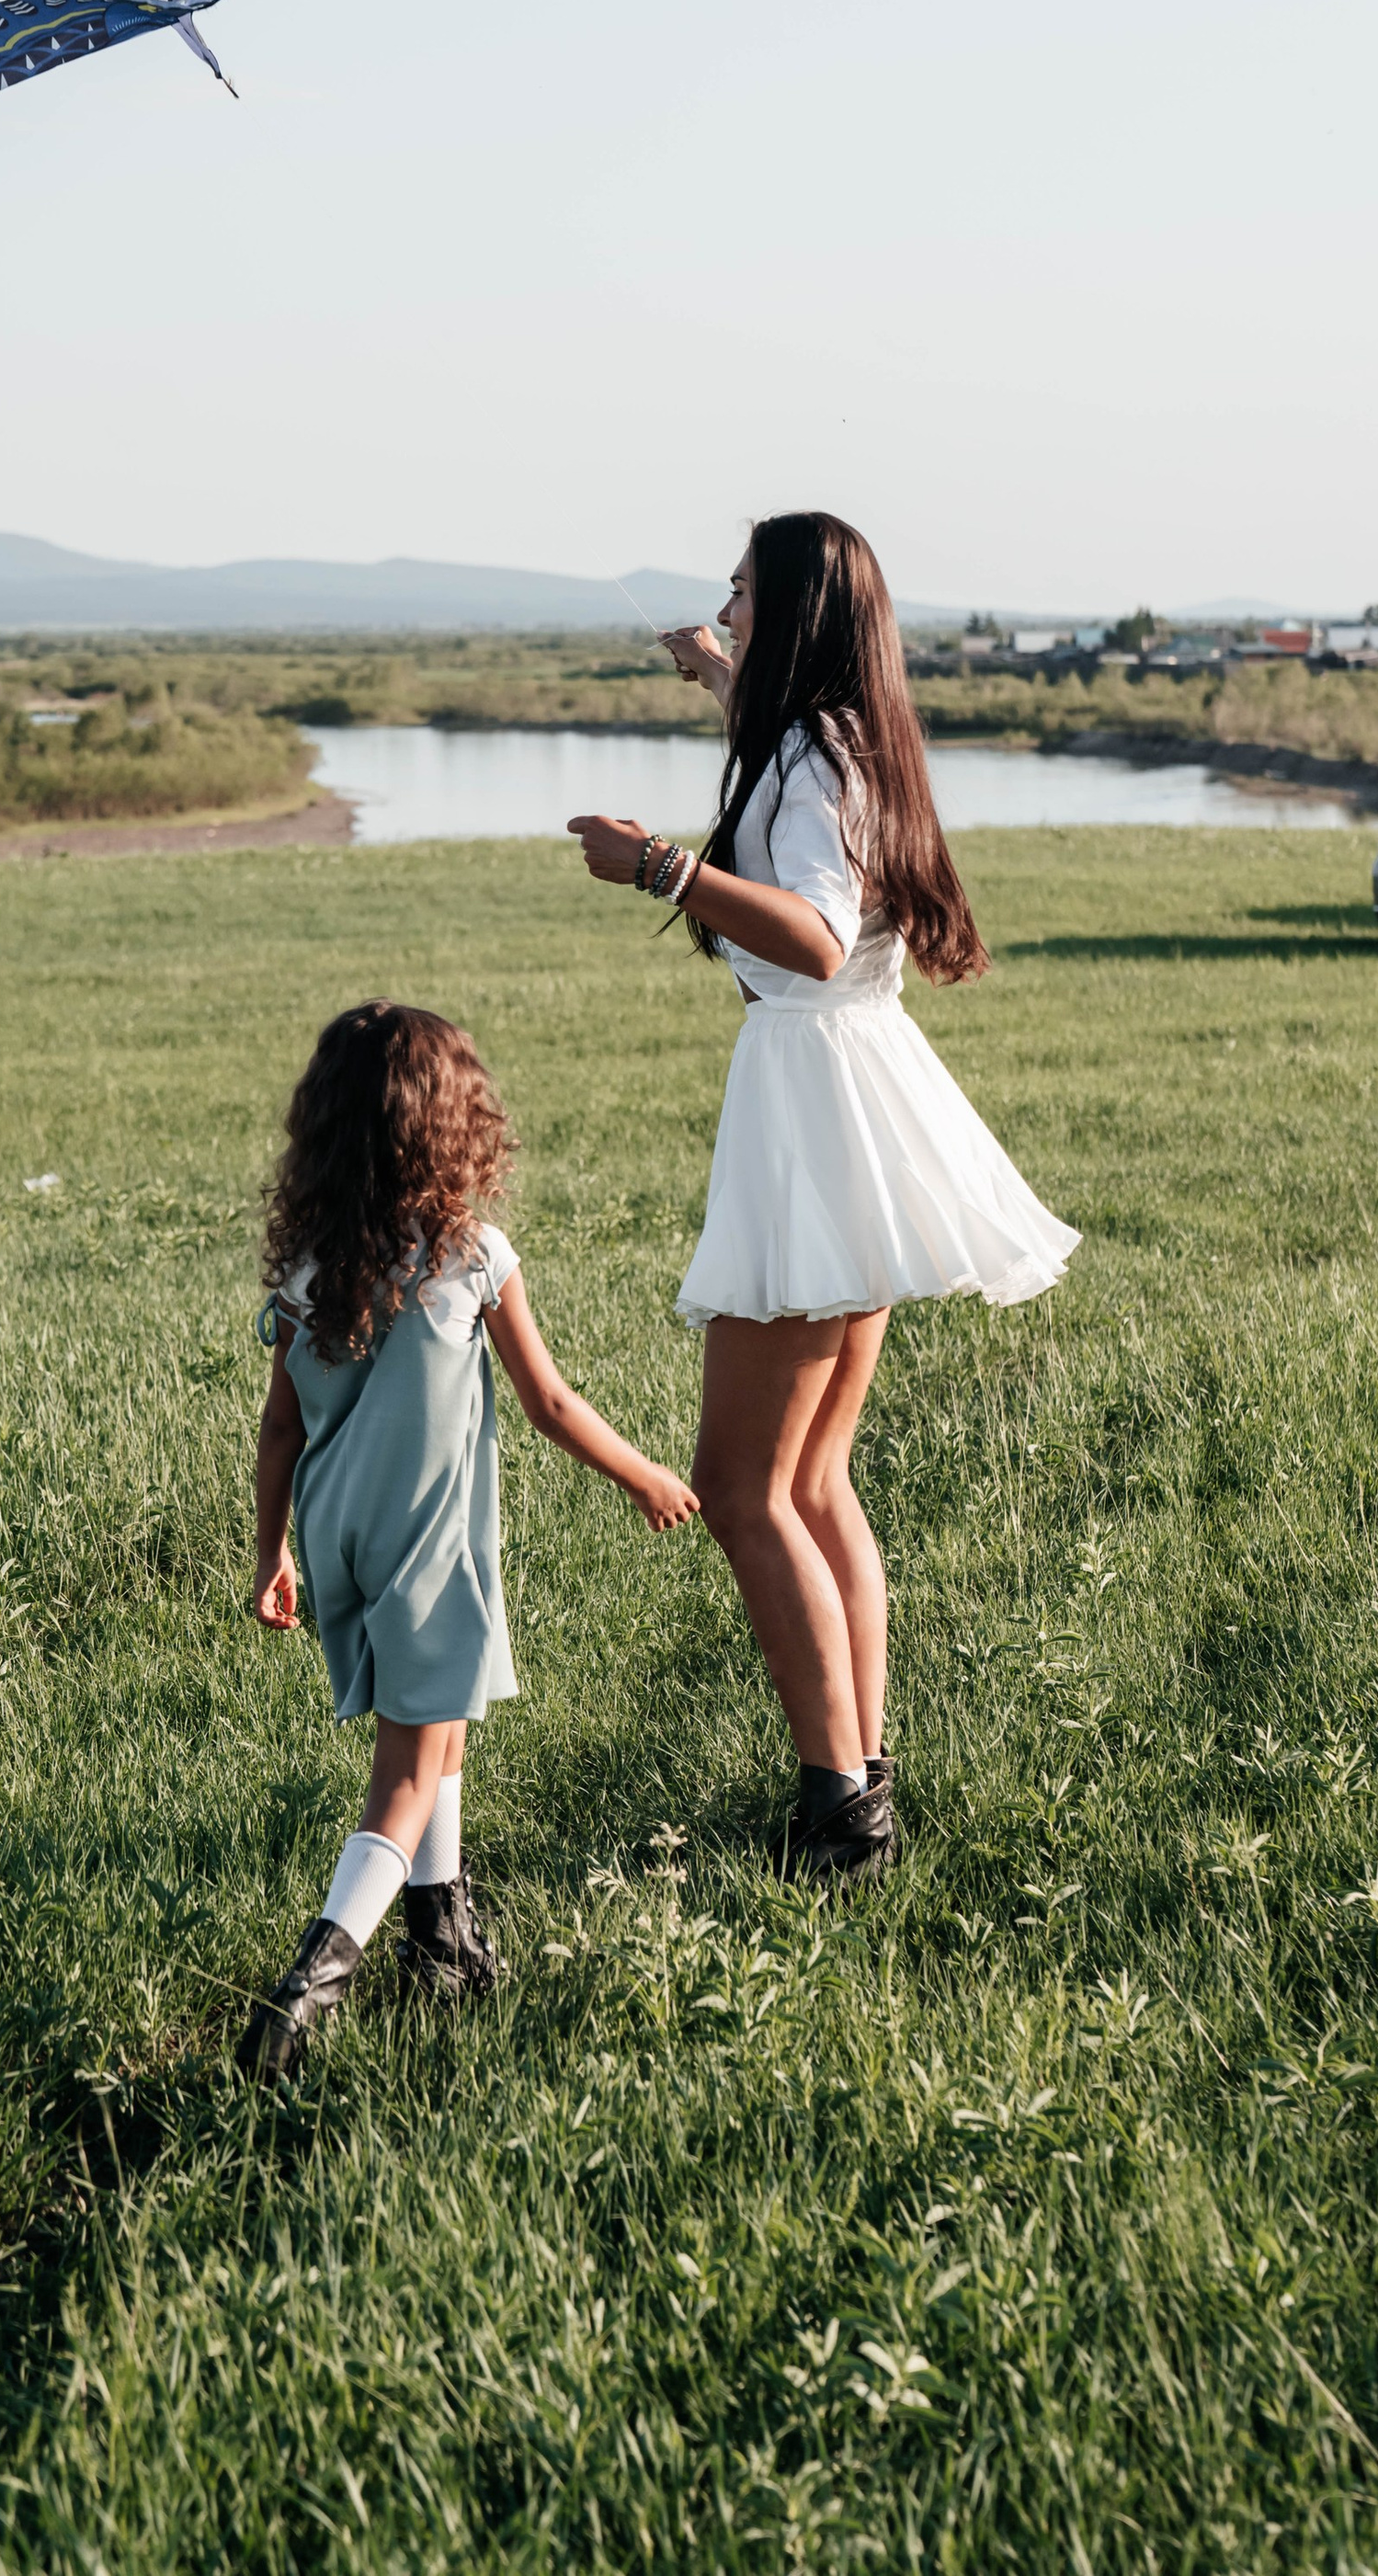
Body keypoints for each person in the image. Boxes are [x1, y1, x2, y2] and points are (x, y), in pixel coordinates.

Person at [568, 512, 1078, 1886]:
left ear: (789, 603)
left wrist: (659, 866)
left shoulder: (807, 754)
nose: (724, 598)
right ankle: (862, 1775)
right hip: (862, 1097)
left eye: (740, 588)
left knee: (742, 1489)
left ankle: (840, 1813)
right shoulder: (850, 732)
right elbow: (791, 778)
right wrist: (717, 679)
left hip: (811, 1111)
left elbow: (807, 925)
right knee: (816, 1478)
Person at [241, 999, 699, 2080]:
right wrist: (642, 1473)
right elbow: (548, 1403)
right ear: (453, 1127)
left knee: (437, 1738)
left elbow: (279, 1428)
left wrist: (272, 1553)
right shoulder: (473, 1257)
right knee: (404, 1774)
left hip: (343, 1537)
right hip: (425, 1545)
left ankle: (443, 1943)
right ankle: (305, 1993)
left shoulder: (304, 1277)